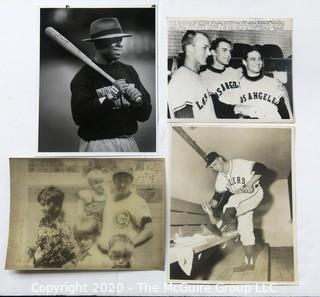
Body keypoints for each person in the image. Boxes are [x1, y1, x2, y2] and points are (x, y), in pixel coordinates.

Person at [71, 18, 152, 152]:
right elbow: (80, 116)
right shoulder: (84, 77)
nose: (120, 44)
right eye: (114, 40)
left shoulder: (128, 71)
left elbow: (145, 114)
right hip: (97, 145)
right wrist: (109, 97)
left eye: (120, 40)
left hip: (128, 144)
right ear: (99, 43)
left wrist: (137, 103)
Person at [202, 152, 266, 272]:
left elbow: (261, 168)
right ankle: (249, 263)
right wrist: (209, 204)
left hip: (254, 193)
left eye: (215, 164)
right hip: (242, 203)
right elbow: (216, 198)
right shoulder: (220, 179)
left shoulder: (237, 164)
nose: (214, 168)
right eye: (212, 167)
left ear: (220, 159)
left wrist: (250, 183)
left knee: (232, 199)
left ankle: (218, 228)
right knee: (245, 233)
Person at [234, 45, 292, 121]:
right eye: (253, 59)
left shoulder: (274, 83)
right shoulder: (237, 83)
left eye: (259, 59)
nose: (257, 62)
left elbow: (285, 114)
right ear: (244, 62)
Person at [99, 170, 153, 248]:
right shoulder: (108, 199)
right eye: (119, 180)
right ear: (114, 181)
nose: (122, 184)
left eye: (126, 181)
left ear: (131, 183)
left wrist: (129, 245)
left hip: (122, 253)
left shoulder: (137, 201)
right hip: (103, 251)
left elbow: (149, 230)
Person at [168, 30, 215, 120]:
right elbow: (186, 124)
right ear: (189, 48)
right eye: (204, 48)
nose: (209, 53)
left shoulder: (196, 75)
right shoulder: (180, 81)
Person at [27, 186, 76, 268]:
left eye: (43, 205)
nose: (41, 208)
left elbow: (68, 247)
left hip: (58, 261)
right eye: (41, 205)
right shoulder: (44, 220)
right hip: (43, 258)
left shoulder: (64, 225)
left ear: (56, 207)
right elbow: (40, 239)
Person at [200, 37, 242, 118]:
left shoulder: (234, 72)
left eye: (230, 51)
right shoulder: (204, 77)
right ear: (213, 52)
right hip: (224, 118)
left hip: (243, 116)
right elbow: (215, 106)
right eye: (224, 50)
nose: (229, 54)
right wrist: (239, 109)